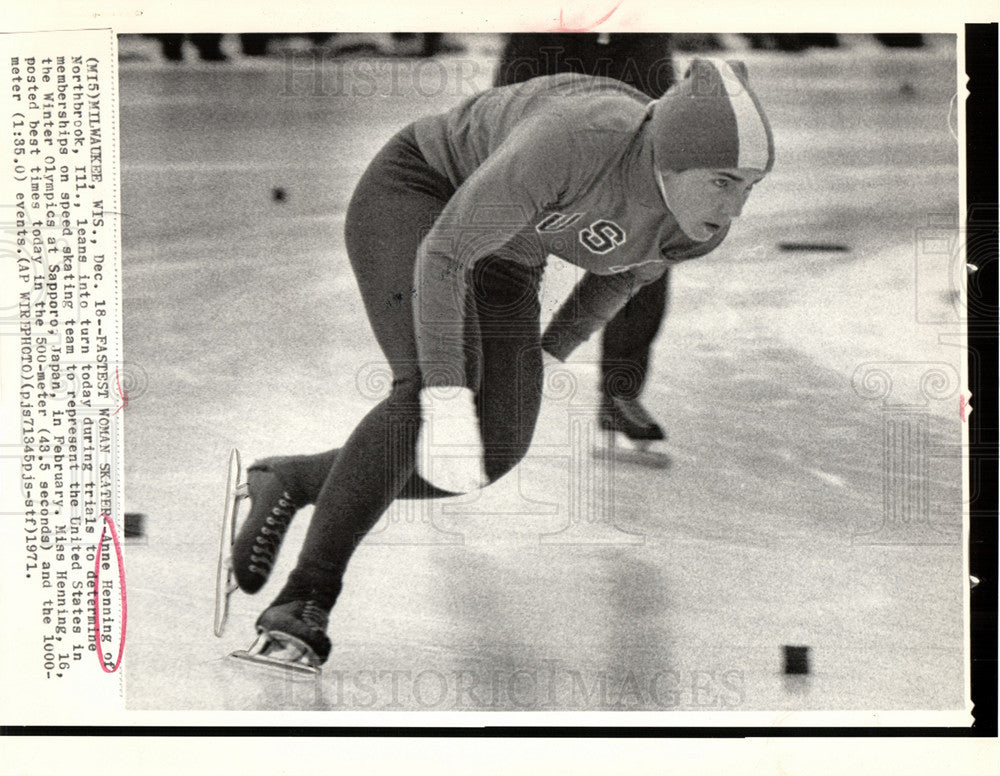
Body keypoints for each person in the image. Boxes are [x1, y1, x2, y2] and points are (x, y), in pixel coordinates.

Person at [229, 58, 775, 669]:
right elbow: (445, 254)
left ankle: (297, 479)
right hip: (420, 194)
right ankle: (305, 599)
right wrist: (445, 394)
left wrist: (544, 355)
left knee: (490, 453)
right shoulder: (575, 136)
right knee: (426, 391)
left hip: (508, 247)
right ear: (668, 157)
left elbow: (618, 281)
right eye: (723, 182)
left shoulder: (699, 226)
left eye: (750, 187)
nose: (735, 211)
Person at [494, 33, 677, 448]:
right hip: (548, 35)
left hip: (634, 36)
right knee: (518, 200)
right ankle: (498, 381)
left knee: (652, 211)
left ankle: (621, 390)